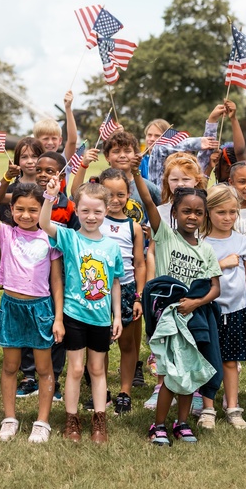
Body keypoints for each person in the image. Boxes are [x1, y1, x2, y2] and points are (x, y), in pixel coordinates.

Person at [132, 168, 221, 446]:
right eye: (186, 211)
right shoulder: (166, 236)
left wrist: (196, 301)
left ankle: (181, 424)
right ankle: (157, 425)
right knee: (171, 375)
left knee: (190, 374)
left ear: (205, 217)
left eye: (198, 213)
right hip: (169, 318)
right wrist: (136, 174)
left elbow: (215, 288)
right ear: (175, 213)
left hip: (194, 317)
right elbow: (147, 201)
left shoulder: (206, 250)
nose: (192, 217)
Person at [0, 163, 63, 443]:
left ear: (42, 212)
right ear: (11, 209)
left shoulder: (50, 238)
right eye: (19, 209)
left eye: (33, 210)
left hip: (40, 309)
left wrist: (58, 318)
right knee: (10, 367)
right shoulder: (5, 233)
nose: (26, 215)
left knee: (43, 369)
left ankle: (42, 421)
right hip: (12, 306)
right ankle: (9, 417)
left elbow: (56, 282)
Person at [40, 177, 123, 444]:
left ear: (106, 211)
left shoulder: (112, 246)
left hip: (101, 318)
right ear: (76, 211)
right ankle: (72, 420)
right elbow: (43, 224)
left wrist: (118, 316)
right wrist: (50, 197)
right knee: (75, 370)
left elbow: (116, 282)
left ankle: (99, 420)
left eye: (97, 211)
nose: (91, 216)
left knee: (97, 370)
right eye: (85, 211)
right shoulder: (69, 238)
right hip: (75, 316)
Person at [16, 150, 77, 399]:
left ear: (62, 175)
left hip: (59, 275)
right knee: (30, 322)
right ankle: (30, 375)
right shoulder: (28, 199)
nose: (43, 174)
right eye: (39, 169)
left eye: (50, 171)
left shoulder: (68, 206)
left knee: (56, 322)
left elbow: (75, 240)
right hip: (30, 274)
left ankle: (54, 376)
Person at [201, 184, 246, 430]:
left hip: (236, 310)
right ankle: (207, 409)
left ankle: (233, 408)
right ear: (208, 212)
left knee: (230, 361)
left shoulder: (243, 242)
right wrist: (221, 263)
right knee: (208, 359)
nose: (228, 218)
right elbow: (195, 275)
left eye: (232, 212)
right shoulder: (200, 242)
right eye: (221, 212)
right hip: (208, 309)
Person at [95, 168, 146, 416]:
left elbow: (139, 263)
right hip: (97, 290)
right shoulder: (93, 220)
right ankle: (101, 391)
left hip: (126, 290)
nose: (115, 200)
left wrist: (138, 296)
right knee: (98, 345)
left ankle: (124, 392)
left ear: (129, 195)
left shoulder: (133, 227)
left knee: (127, 344)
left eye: (121, 194)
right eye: (108, 194)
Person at [71, 130, 160, 224]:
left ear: (136, 154)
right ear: (107, 156)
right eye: (116, 151)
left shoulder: (146, 186)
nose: (122, 155)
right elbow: (76, 194)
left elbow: (165, 209)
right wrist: (84, 165)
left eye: (127, 151)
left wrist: (152, 229)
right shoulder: (97, 183)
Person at [32, 90, 79, 162]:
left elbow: (72, 141)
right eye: (45, 138)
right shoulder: (31, 162)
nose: (50, 142)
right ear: (36, 141)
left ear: (60, 140)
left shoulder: (63, 161)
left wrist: (68, 108)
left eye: (54, 138)